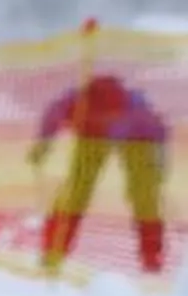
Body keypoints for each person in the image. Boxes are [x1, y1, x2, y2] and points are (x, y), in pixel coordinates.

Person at [30, 69, 168, 276]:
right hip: (90, 135)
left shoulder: (139, 115)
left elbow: (159, 136)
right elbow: (52, 116)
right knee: (75, 191)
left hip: (139, 139)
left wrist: (159, 164)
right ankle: (54, 250)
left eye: (110, 116)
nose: (107, 120)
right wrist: (43, 144)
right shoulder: (75, 102)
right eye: (103, 116)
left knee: (144, 196)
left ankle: (152, 260)